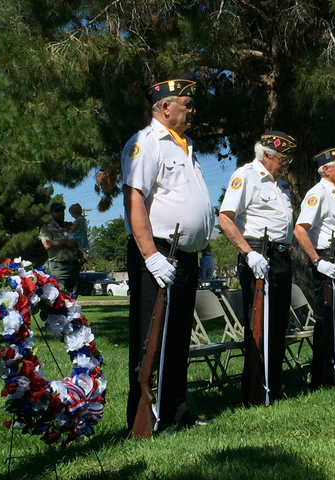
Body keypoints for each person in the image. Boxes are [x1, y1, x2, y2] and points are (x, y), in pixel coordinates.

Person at [121, 74, 215, 432]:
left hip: (185, 255)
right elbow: (134, 202)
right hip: (159, 254)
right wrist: (150, 256)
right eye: (187, 104)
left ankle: (176, 413)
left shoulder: (185, 146)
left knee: (177, 339)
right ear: (164, 107)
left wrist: (204, 251)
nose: (192, 110)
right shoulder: (147, 143)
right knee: (149, 338)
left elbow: (198, 205)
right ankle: (141, 419)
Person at [218, 130, 297, 406]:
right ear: (266, 155)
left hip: (281, 256)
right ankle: (253, 391)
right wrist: (248, 253)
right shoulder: (246, 176)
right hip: (258, 255)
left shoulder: (281, 184)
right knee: (258, 325)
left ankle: (272, 386)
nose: (286, 162)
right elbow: (225, 218)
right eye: (283, 157)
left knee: (277, 324)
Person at [293, 146, 335, 388]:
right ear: (326, 170)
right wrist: (317, 261)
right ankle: (322, 375)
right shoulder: (318, 193)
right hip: (329, 260)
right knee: (328, 319)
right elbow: (300, 230)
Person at [39, 201, 81, 294]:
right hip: (59, 267)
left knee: (73, 297)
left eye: (62, 210)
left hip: (74, 265)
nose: (61, 213)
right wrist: (65, 242)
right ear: (51, 213)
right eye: (57, 211)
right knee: (59, 295)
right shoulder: (47, 228)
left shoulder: (70, 226)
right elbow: (47, 244)